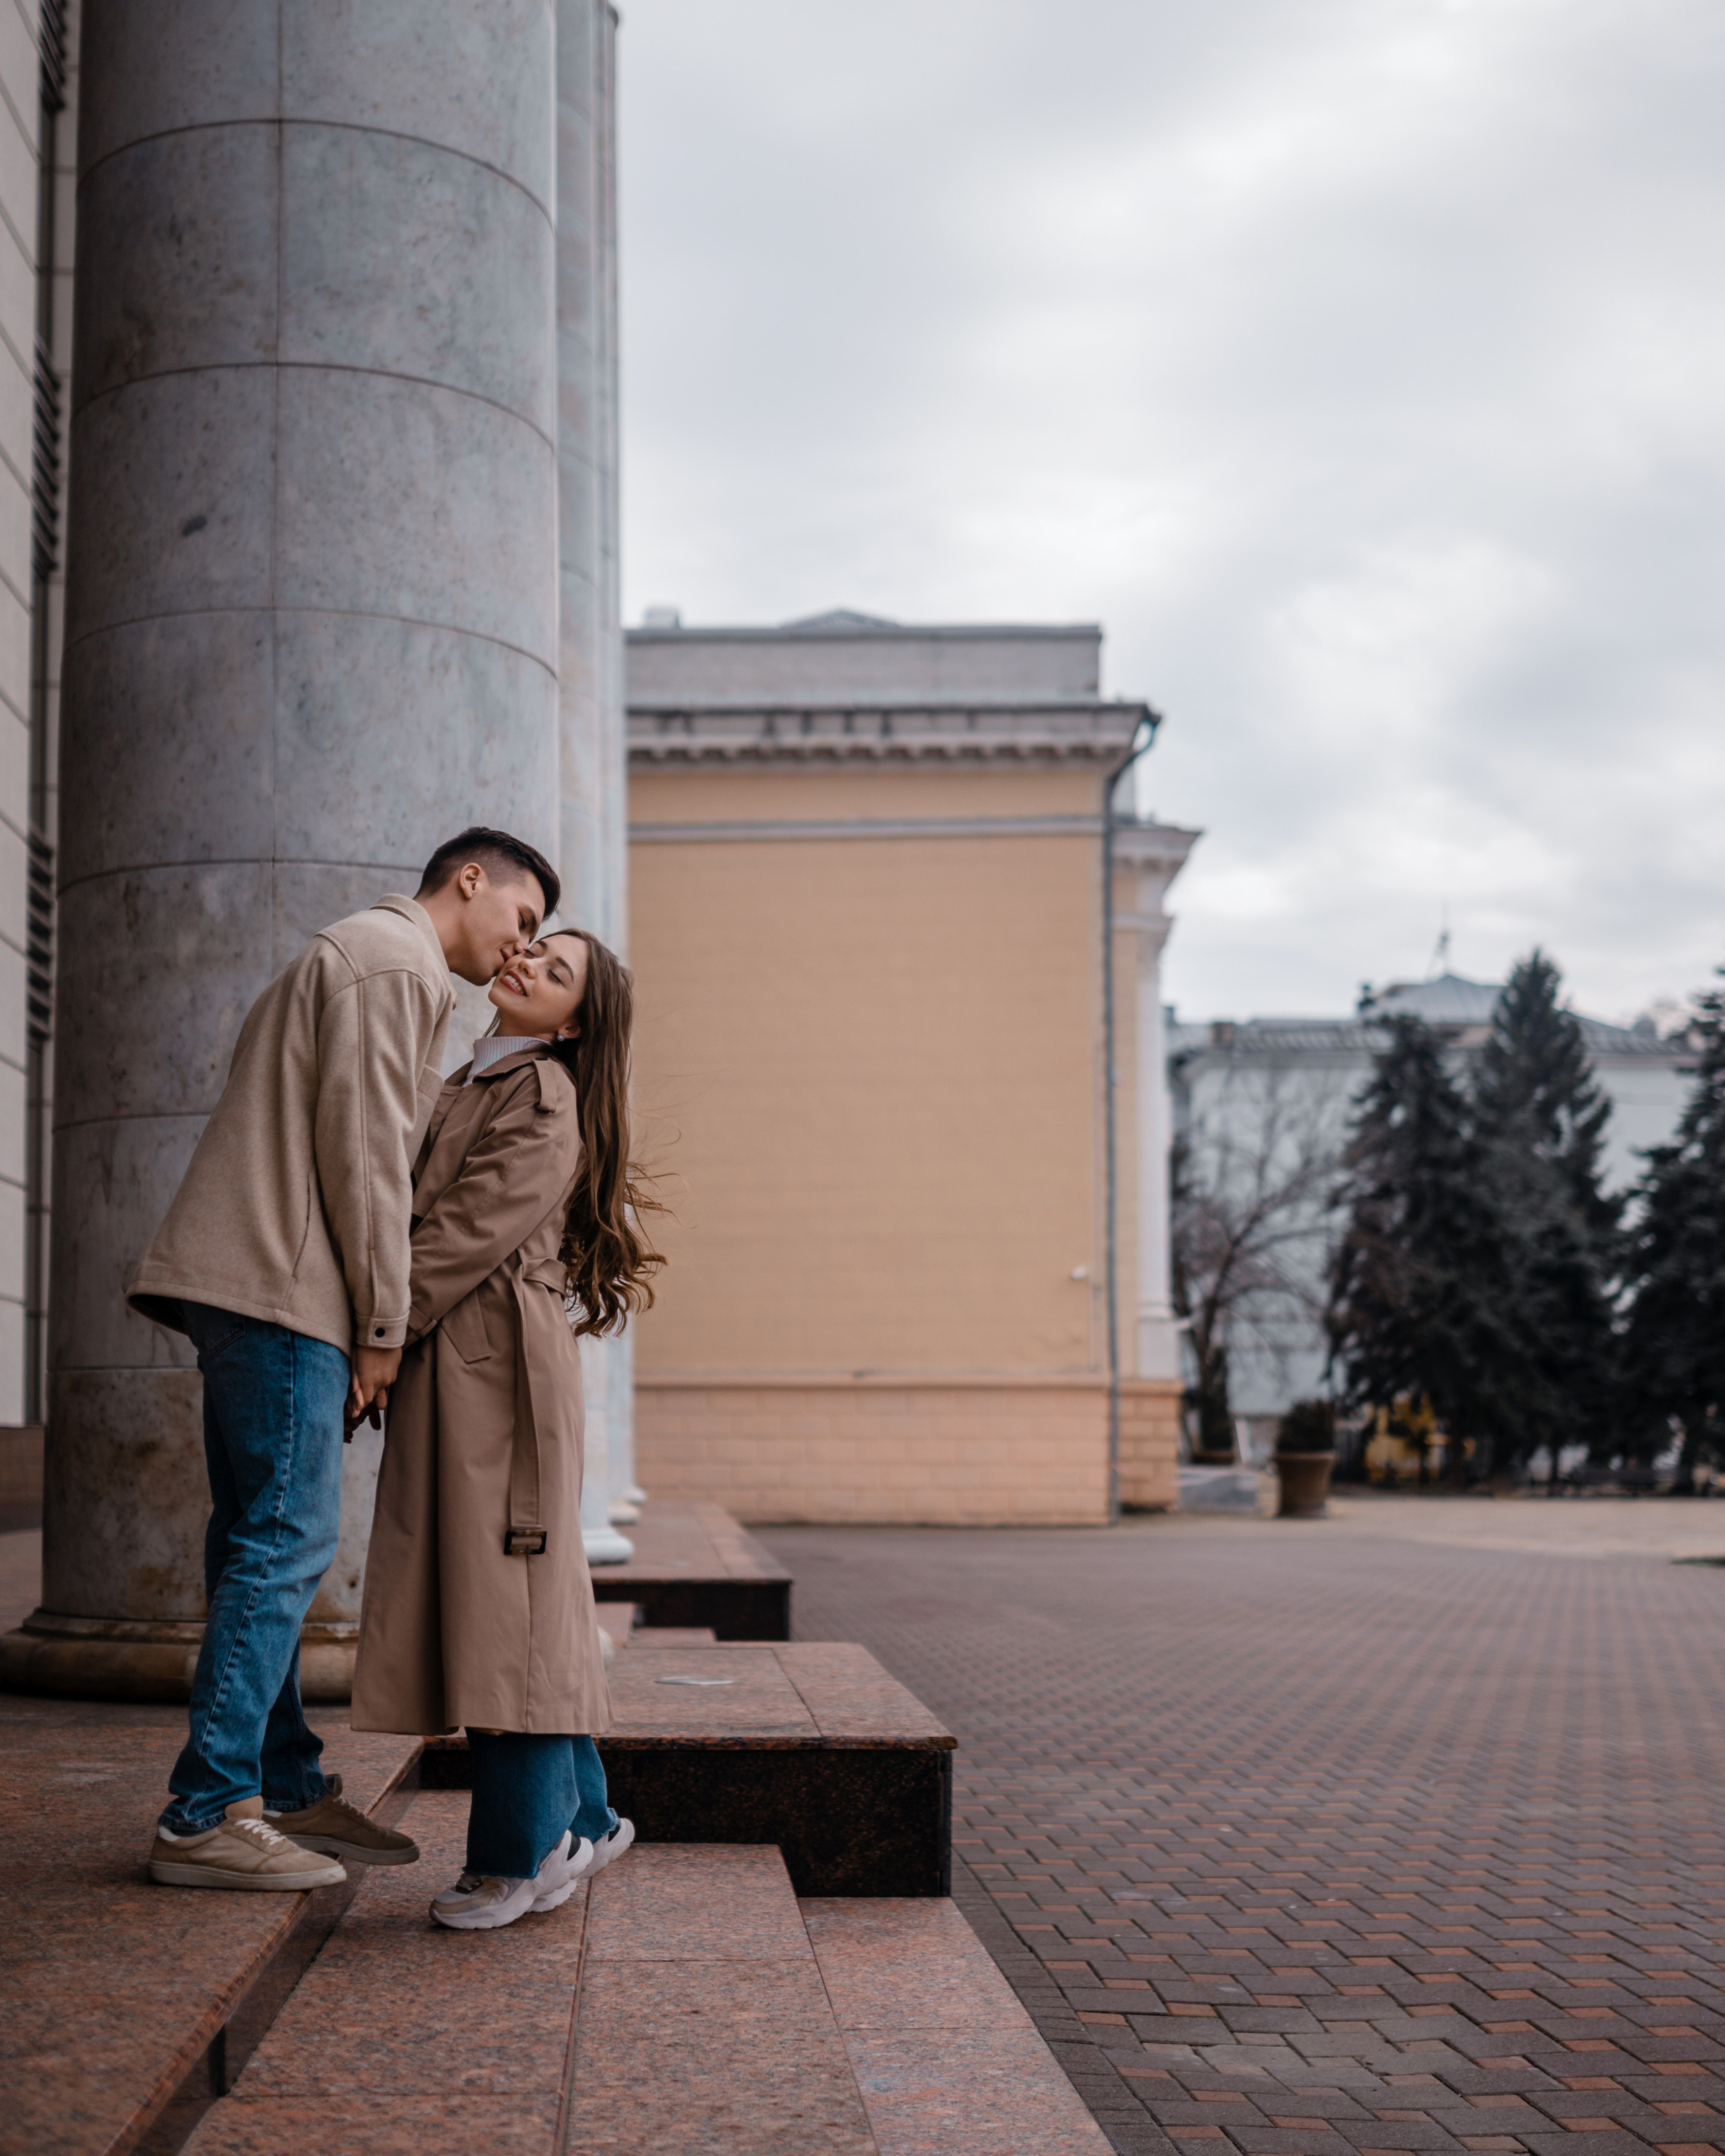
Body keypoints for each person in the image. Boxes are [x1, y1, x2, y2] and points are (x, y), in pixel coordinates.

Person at [130, 829, 559, 1892]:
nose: (520, 947)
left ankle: (281, 1788)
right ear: (472, 880)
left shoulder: (369, 956)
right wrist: (382, 1327)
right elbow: (365, 1157)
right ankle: (203, 1815)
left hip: (258, 1282)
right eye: (523, 919)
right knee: (285, 1541)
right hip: (285, 1290)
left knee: (253, 1540)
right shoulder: (396, 963)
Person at [350, 926, 662, 1931]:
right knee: (515, 1596)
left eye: (555, 970)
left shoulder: (544, 1094)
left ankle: (522, 1852)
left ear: (572, 1022)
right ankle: (583, 1813)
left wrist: (383, 1335)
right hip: (473, 1359)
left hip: (494, 1371)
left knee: (505, 1603)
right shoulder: (484, 1075)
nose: (526, 962)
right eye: (535, 948)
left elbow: (462, 1230)